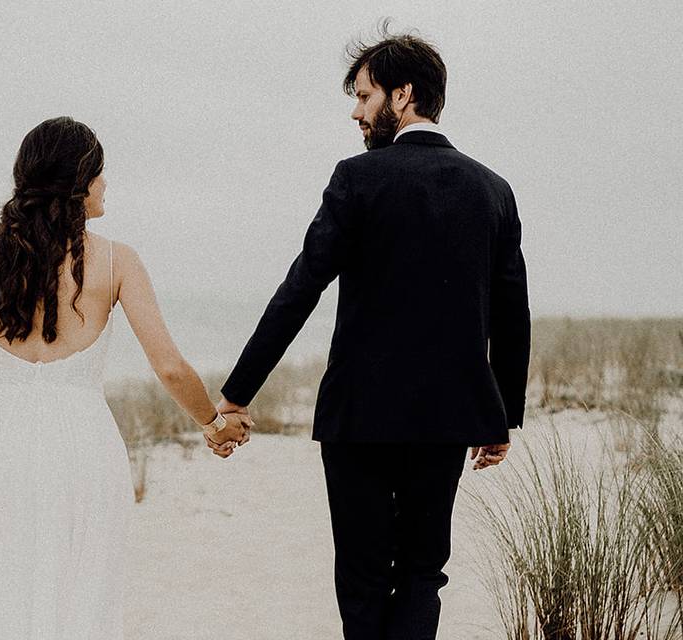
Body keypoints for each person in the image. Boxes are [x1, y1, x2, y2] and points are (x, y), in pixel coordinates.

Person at [212, 25, 531, 640]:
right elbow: (510, 313)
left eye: (363, 97)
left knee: (361, 575)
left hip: (360, 415)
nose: (356, 113)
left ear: (402, 95)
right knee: (422, 570)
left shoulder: (357, 178)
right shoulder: (494, 190)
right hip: (447, 416)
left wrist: (238, 392)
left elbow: (301, 286)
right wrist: (502, 416)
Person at [0, 116, 251, 638]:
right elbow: (171, 367)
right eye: (100, 172)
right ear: (79, 182)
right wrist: (211, 423)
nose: (107, 183)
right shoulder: (116, 261)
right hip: (82, 446)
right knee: (77, 591)